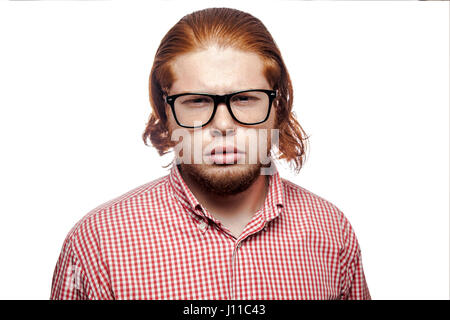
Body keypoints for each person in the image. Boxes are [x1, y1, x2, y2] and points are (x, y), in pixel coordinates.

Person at [50, 7, 370, 300]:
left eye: (245, 99)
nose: (222, 124)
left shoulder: (331, 230)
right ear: (165, 111)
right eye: (197, 101)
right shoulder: (97, 244)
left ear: (278, 104)